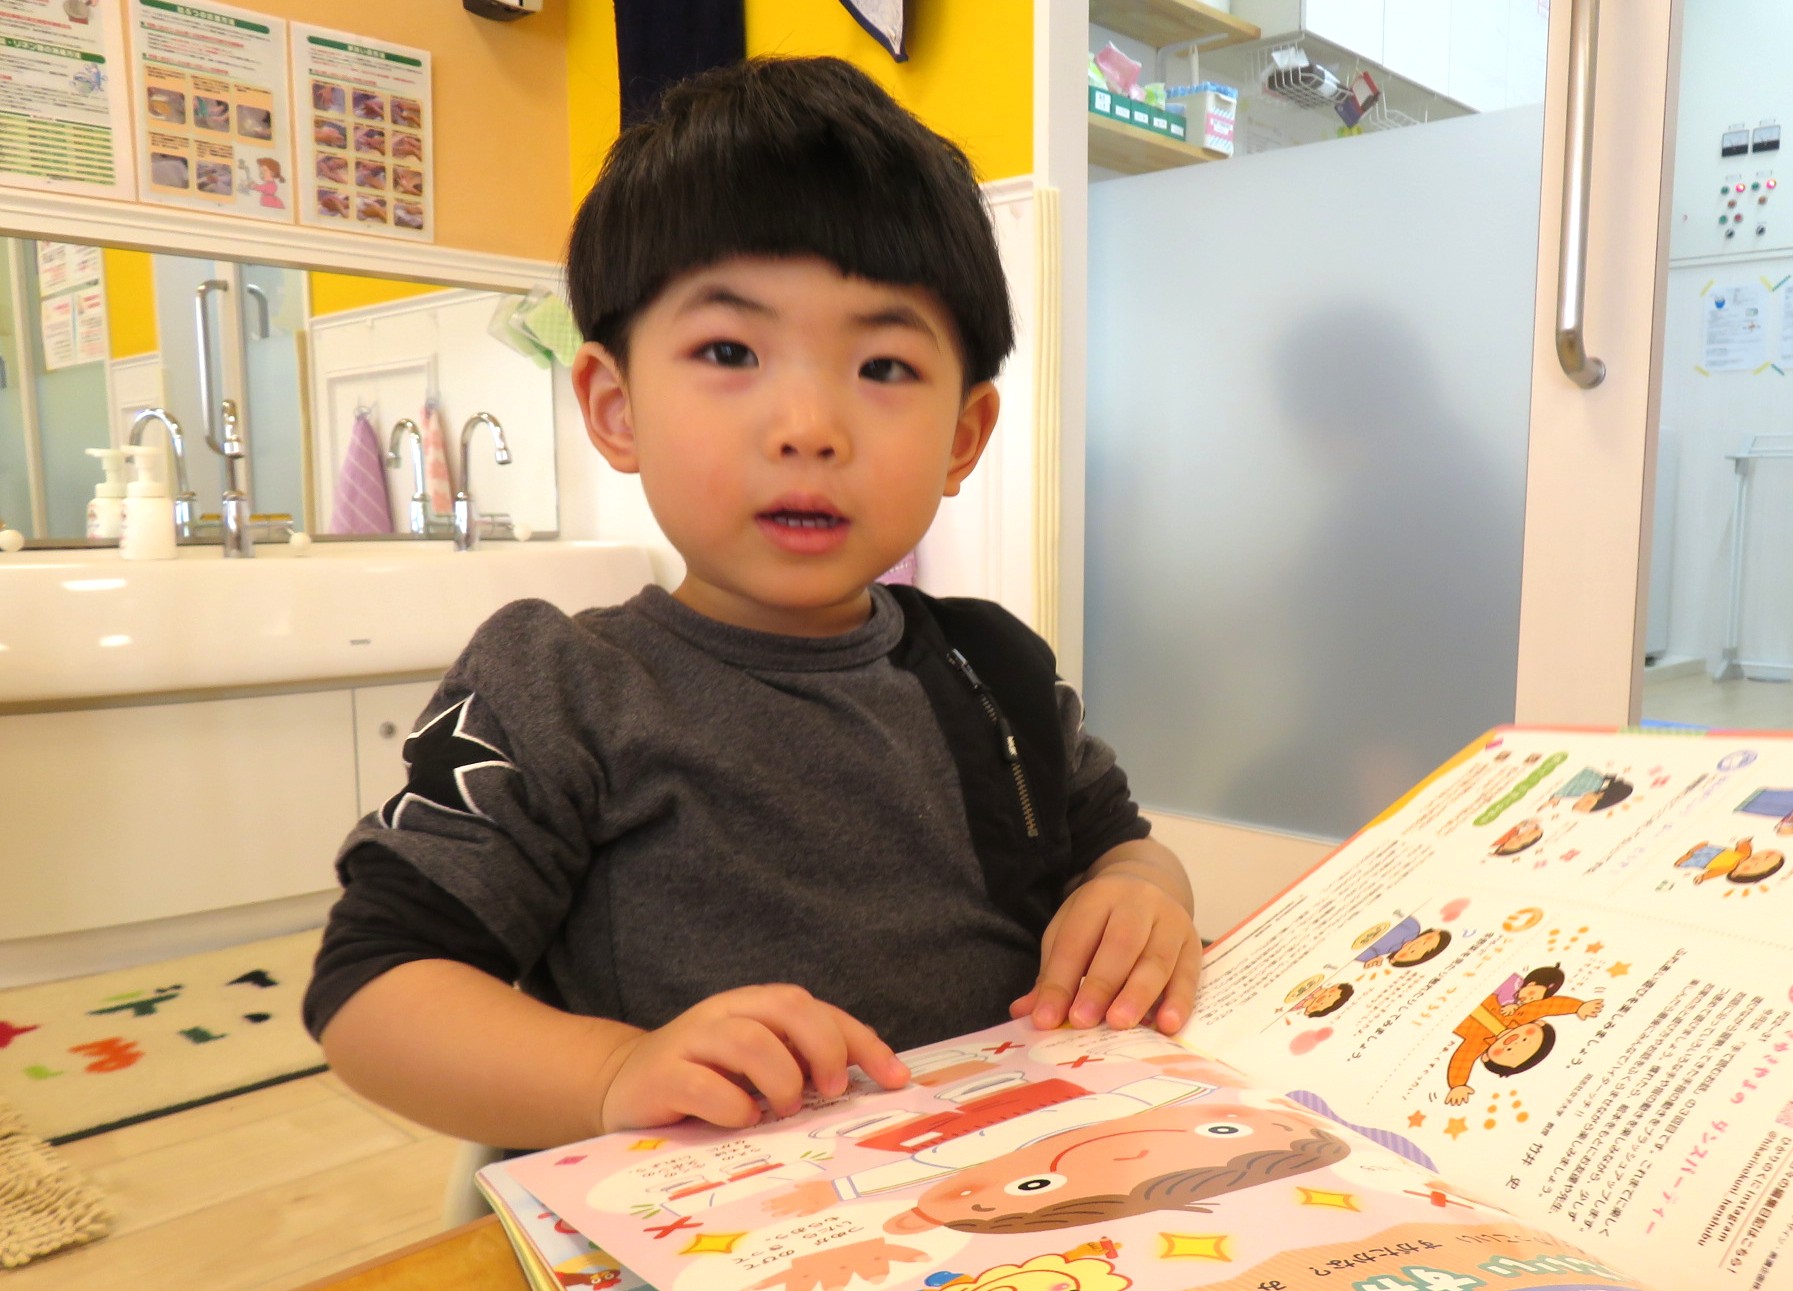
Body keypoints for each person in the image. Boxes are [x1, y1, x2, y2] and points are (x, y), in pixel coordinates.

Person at [302, 56, 1200, 1152]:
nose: (808, 427)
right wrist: (613, 1070)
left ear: (963, 437)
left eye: (883, 366)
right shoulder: (560, 688)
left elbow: (1119, 846)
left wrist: (1143, 892)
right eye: (729, 351)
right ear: (616, 407)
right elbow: (373, 990)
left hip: (1005, 1179)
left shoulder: (991, 664)